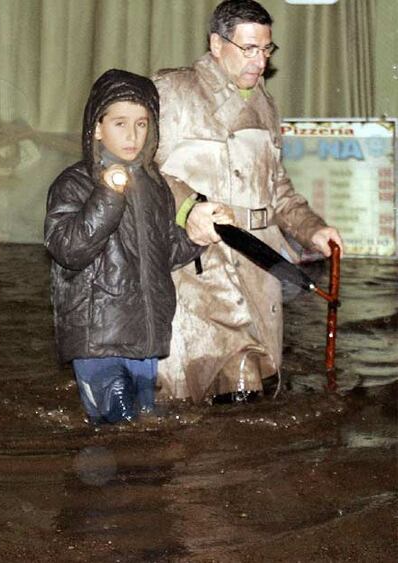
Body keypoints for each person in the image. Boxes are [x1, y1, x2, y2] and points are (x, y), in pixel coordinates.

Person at [153, 0, 344, 403]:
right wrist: (188, 208)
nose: (260, 61)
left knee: (255, 382)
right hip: (201, 265)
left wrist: (313, 230)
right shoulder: (173, 92)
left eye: (266, 50)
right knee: (233, 374)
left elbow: (276, 190)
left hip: (259, 265)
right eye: (249, 49)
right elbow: (141, 171)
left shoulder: (265, 103)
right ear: (217, 43)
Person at [44, 69, 227, 424]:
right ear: (97, 129)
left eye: (142, 124)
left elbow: (166, 254)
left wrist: (197, 237)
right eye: (120, 124)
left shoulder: (155, 187)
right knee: (119, 430)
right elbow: (68, 249)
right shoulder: (74, 184)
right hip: (98, 337)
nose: (132, 135)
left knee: (144, 426)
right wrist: (109, 194)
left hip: (145, 336)